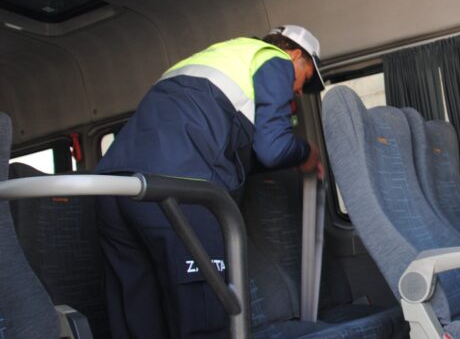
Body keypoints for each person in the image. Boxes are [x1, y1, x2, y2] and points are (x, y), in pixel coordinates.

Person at [95, 25, 325, 338]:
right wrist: (306, 153)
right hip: (179, 187)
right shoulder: (272, 58)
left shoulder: (212, 59)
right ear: (295, 54)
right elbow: (273, 149)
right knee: (204, 313)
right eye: (305, 78)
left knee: (138, 313)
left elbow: (239, 150)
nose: (298, 90)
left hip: (113, 185)